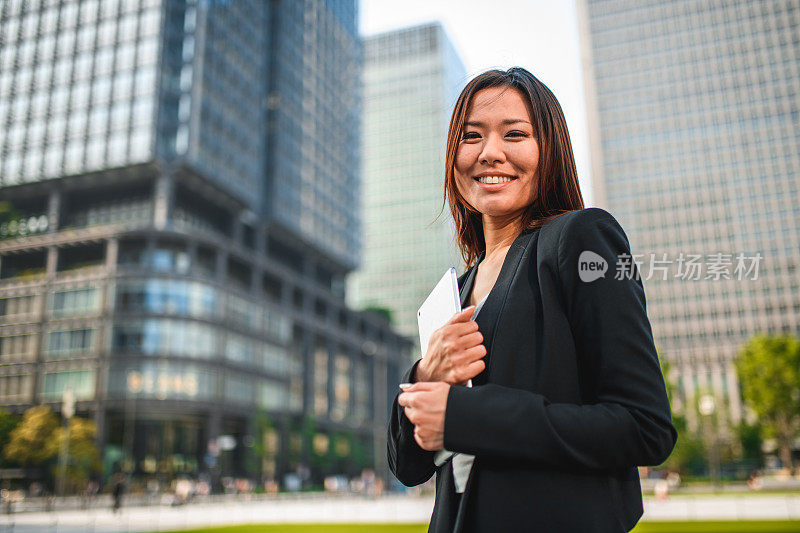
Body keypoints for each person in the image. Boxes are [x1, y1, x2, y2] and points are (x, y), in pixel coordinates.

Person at [388, 67, 676, 533]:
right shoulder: (456, 291)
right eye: (471, 137)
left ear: (550, 150)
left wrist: (466, 416)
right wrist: (424, 374)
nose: (490, 153)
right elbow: (409, 466)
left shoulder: (579, 238)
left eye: (515, 134)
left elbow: (644, 426)